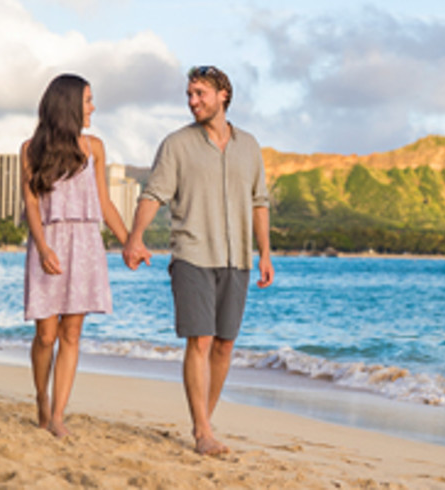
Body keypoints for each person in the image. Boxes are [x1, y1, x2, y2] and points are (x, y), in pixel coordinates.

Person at [123, 65, 274, 455]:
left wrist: (265, 254)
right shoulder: (176, 144)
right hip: (192, 253)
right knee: (201, 339)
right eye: (189, 94)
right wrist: (135, 237)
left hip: (236, 257)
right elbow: (153, 194)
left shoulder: (250, 145)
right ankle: (203, 432)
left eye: (200, 93)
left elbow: (259, 203)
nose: (192, 101)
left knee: (225, 344)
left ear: (223, 94)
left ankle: (203, 421)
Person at [21, 74, 130, 438]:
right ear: (68, 104)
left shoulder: (95, 147)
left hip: (85, 244)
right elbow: (32, 206)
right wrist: (43, 246)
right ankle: (41, 396)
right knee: (47, 334)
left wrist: (130, 241)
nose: (93, 107)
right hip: (48, 242)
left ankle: (58, 415)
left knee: (71, 333)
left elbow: (104, 202)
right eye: (87, 100)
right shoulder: (30, 150)